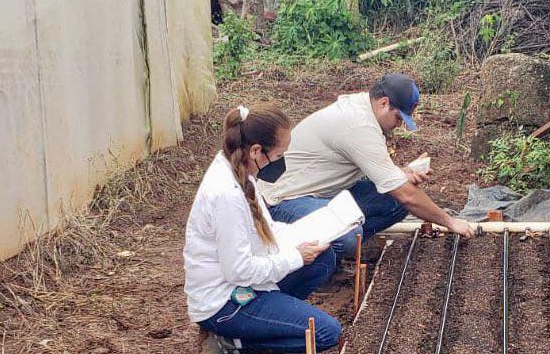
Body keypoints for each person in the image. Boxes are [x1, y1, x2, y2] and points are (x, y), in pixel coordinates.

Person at [259, 73, 473, 259]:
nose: (399, 125)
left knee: (394, 203)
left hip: (321, 193)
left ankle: (330, 250)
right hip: (284, 201)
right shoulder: (358, 125)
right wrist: (449, 221)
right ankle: (317, 262)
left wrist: (401, 173)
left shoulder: (363, 107)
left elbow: (378, 169)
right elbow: (406, 194)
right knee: (349, 236)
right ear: (384, 104)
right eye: (398, 118)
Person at [184, 104, 341, 353]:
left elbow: (268, 229)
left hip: (247, 282)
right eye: (278, 156)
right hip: (224, 301)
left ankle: (271, 319)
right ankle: (232, 343)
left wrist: (315, 233)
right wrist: (294, 257)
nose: (280, 163)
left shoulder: (241, 172)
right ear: (256, 151)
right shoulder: (226, 195)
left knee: (322, 259)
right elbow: (239, 271)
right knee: (324, 333)